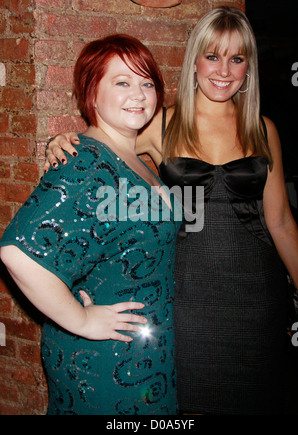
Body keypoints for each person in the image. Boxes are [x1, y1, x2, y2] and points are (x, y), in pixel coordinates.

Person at [43, 7, 298, 415]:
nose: (223, 70)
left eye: (237, 58)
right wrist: (60, 140)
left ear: (248, 67)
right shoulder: (162, 125)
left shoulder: (263, 129)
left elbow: (282, 223)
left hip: (258, 296)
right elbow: (103, 138)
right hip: (188, 297)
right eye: (212, 56)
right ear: (195, 60)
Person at [0, 34, 182, 415]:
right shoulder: (85, 163)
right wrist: (81, 319)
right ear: (91, 93)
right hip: (108, 365)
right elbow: (18, 252)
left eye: (147, 82)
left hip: (143, 355)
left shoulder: (132, 157)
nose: (139, 93)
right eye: (122, 82)